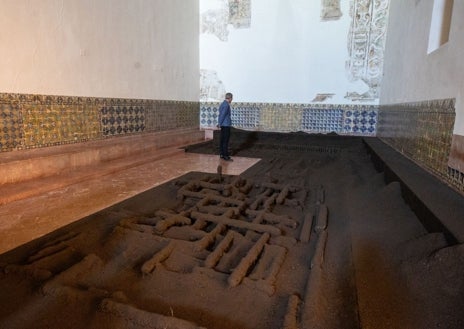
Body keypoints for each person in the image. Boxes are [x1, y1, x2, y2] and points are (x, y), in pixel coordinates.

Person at [217, 92, 233, 161]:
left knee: (222, 140)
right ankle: (225, 156)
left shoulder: (223, 104)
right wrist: (219, 123)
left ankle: (222, 154)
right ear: (230, 98)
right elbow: (223, 115)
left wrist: (220, 123)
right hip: (226, 125)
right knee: (225, 141)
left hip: (223, 124)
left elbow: (221, 114)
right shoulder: (226, 105)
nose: (231, 100)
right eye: (231, 98)